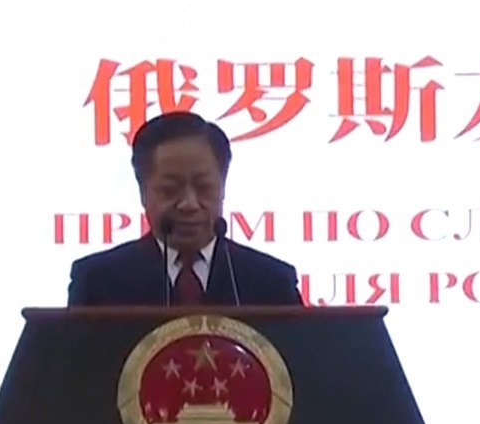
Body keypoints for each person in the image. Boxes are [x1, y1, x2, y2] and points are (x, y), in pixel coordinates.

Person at [67, 112, 303, 307]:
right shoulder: (97, 281)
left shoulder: (272, 282)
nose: (189, 204)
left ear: (222, 186)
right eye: (170, 190)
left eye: (204, 187)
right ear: (143, 192)